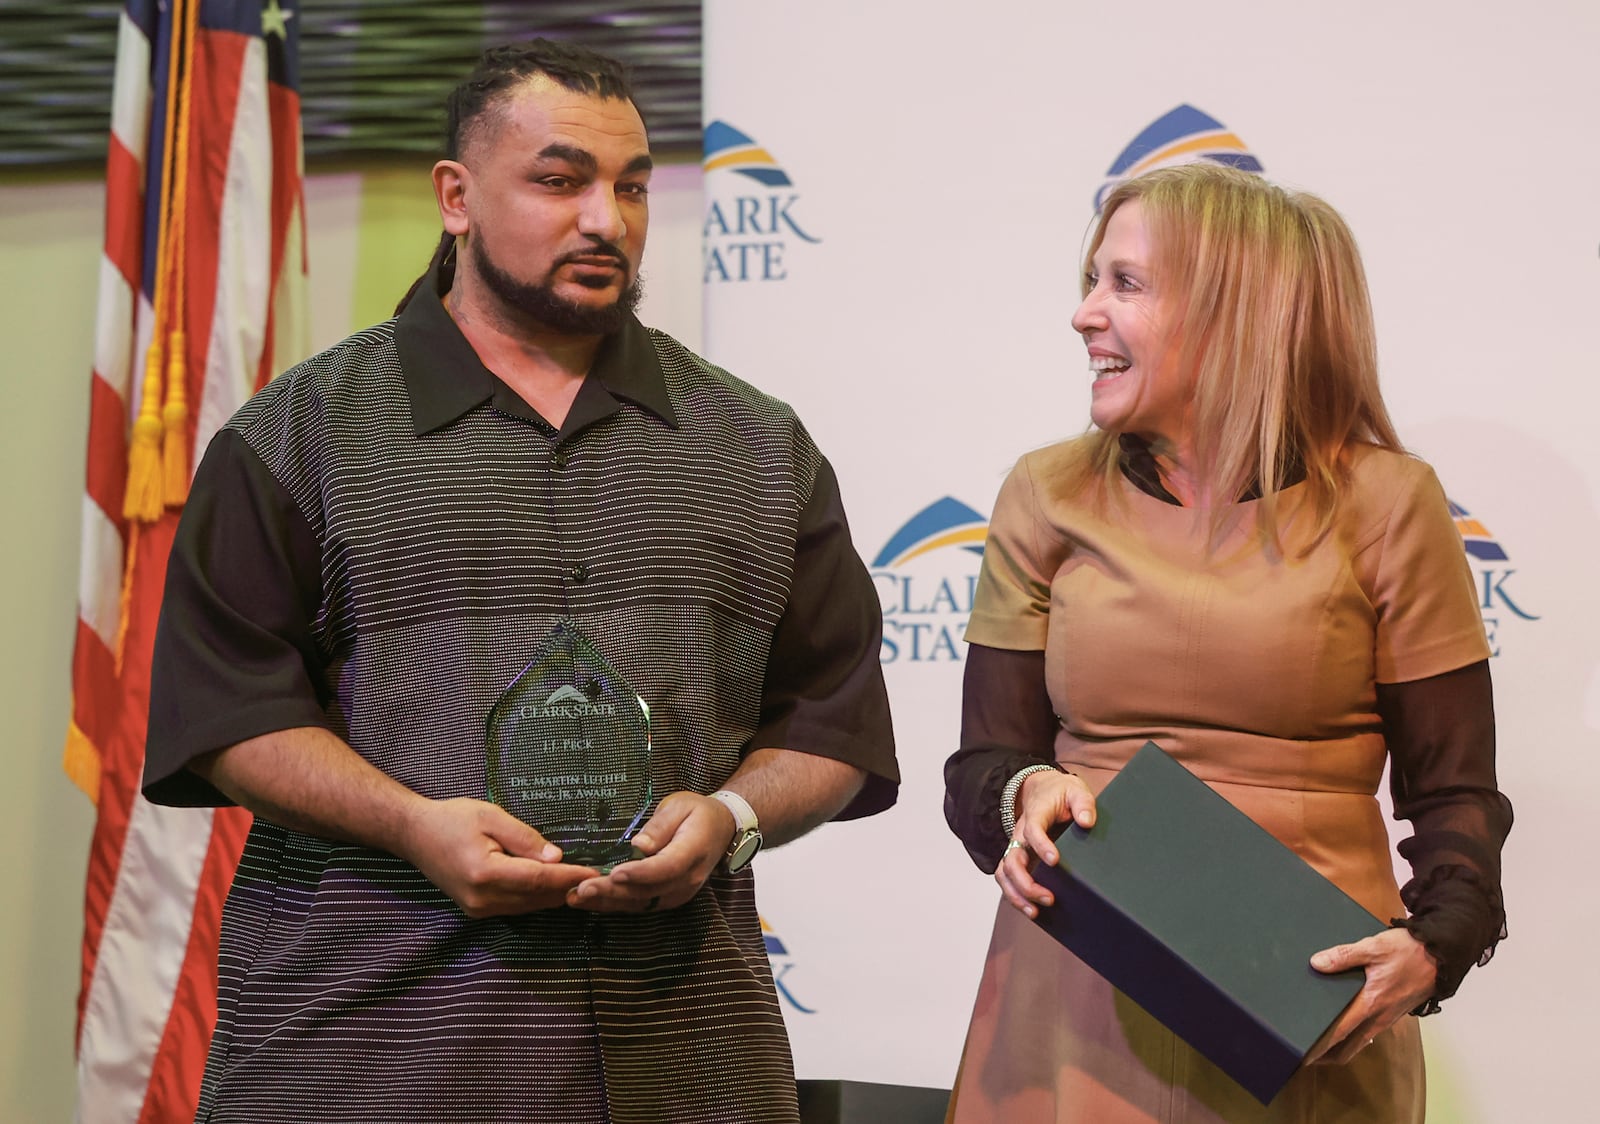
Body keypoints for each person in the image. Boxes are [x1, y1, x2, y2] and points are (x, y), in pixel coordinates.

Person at [143, 39, 898, 1124]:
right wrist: (411, 822)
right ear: (456, 195)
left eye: (631, 186)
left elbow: (831, 722)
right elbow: (226, 714)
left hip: (683, 1063)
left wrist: (732, 811)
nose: (607, 220)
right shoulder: (296, 438)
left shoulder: (756, 446)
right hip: (366, 1057)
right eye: (560, 180)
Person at [942, 162, 1510, 1122]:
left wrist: (1432, 947)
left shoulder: (1388, 503)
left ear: (1234, 310)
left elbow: (1454, 794)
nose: (1083, 314)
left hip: (1308, 1000)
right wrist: (1021, 793)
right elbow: (983, 765)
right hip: (1071, 1003)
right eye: (1091, 280)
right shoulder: (1044, 493)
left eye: (1123, 283)